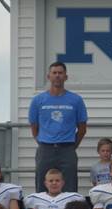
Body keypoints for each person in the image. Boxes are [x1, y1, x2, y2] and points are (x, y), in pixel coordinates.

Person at [29, 61, 87, 192]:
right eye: (54, 73)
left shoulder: (76, 100)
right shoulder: (38, 100)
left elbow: (82, 128)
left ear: (66, 77)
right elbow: (34, 127)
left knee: (70, 186)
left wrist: (71, 145)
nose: (57, 76)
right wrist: (44, 142)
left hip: (67, 149)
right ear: (48, 76)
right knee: (42, 186)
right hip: (45, 149)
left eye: (60, 73)